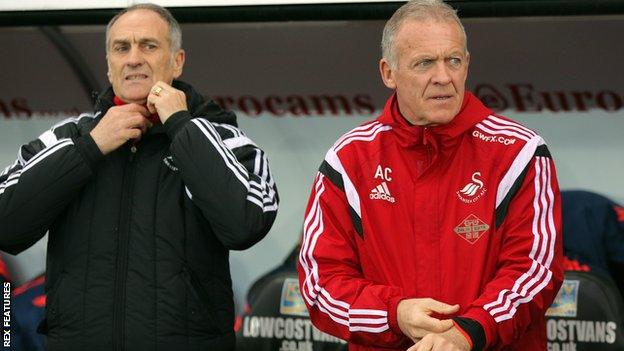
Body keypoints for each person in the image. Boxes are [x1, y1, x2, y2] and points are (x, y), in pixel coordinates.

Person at [0, 3, 278, 350]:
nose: (133, 58)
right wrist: (90, 147)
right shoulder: (67, 139)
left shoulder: (220, 137)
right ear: (109, 65)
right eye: (121, 47)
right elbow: (5, 224)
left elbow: (247, 222)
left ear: (177, 61)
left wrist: (181, 124)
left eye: (148, 45)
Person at [297, 1, 562, 350]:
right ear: (388, 73)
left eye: (453, 60)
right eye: (424, 63)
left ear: (466, 65)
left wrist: (468, 332)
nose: (443, 77)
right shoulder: (349, 160)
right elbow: (321, 283)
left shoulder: (520, 152)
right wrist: (394, 313)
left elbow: (535, 273)